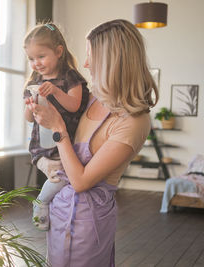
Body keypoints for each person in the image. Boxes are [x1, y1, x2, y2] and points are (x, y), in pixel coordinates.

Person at [28, 19, 159, 266]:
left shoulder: (133, 122)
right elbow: (58, 146)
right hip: (60, 210)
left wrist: (58, 127)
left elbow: (80, 182)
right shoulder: (93, 98)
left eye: (91, 56)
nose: (85, 64)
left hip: (88, 224)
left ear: (113, 61)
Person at [23, 23, 90, 231]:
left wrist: (55, 92)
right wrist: (31, 106)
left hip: (62, 144)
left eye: (41, 57)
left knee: (63, 179)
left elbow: (75, 105)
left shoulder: (70, 77)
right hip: (42, 147)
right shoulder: (34, 80)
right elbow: (29, 119)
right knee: (61, 176)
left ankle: (46, 204)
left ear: (59, 52)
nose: (36, 64)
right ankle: (42, 202)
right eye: (31, 59)